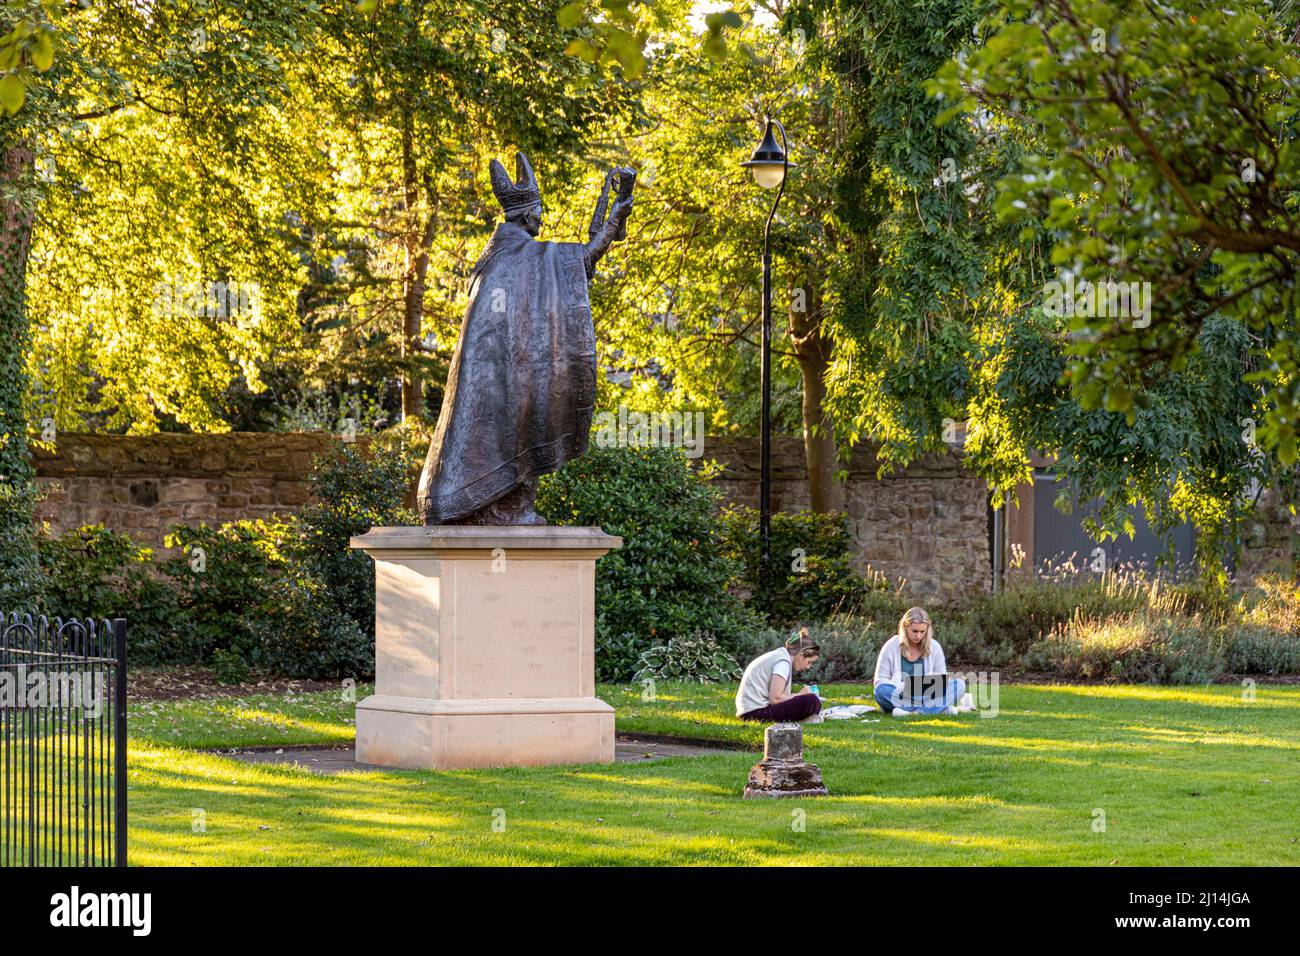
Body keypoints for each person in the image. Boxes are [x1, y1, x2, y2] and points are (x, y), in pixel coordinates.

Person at [873, 607, 966, 716]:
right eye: (915, 631)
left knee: (959, 685)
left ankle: (913, 712)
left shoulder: (934, 646)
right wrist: (902, 686)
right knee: (880, 691)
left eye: (922, 631)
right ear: (905, 627)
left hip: (927, 694)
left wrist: (926, 685)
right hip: (901, 694)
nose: (918, 636)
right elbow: (880, 681)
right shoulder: (891, 646)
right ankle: (937, 709)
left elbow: (941, 679)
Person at [735, 629, 823, 722]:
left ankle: (806, 717)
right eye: (809, 662)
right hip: (754, 714)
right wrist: (800, 695)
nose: (808, 667)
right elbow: (775, 699)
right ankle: (806, 717)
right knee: (812, 701)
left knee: (811, 702)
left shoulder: (780, 656)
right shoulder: (783, 663)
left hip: (749, 710)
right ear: (801, 656)